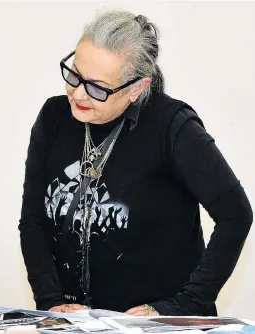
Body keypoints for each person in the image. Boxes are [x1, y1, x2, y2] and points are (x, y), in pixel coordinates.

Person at [19, 9, 252, 316]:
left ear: (137, 88)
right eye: (74, 74)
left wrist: (183, 305)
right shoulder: (53, 119)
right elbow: (33, 221)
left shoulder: (172, 127)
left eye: (97, 88)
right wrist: (51, 303)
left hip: (158, 326)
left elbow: (235, 215)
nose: (78, 93)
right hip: (80, 324)